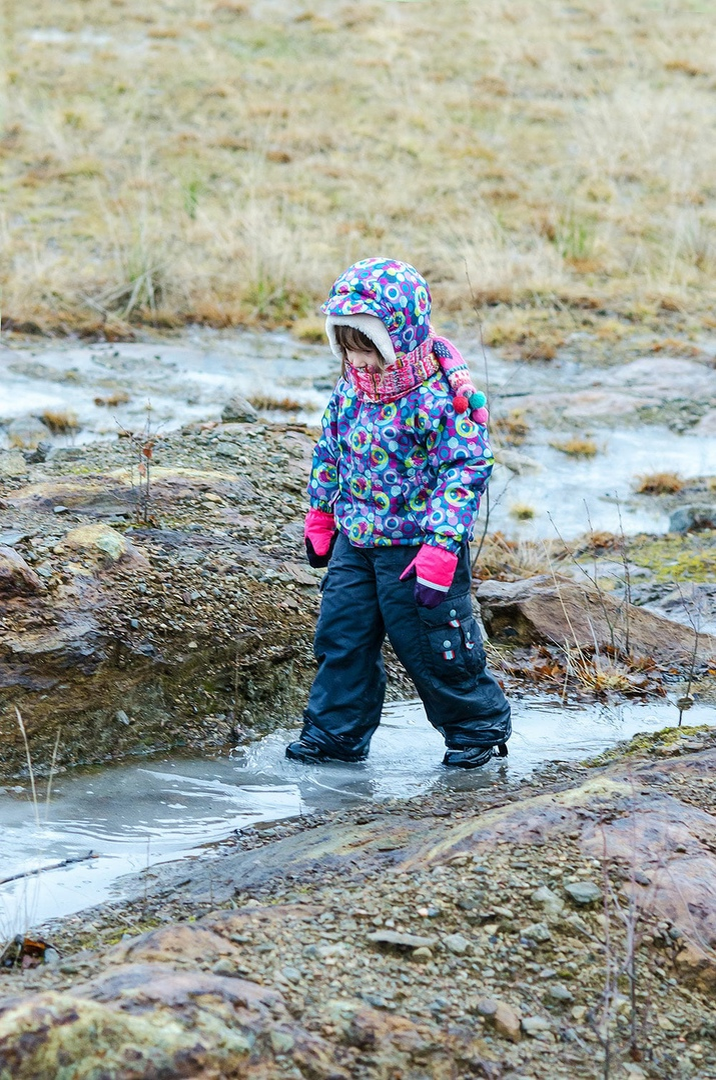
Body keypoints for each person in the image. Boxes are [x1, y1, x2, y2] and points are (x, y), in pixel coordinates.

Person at [286, 258, 511, 769]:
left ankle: (476, 728)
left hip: (418, 547)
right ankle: (334, 735)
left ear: (399, 337)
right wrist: (321, 514)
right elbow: (329, 450)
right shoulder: (351, 391)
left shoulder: (438, 399)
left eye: (367, 348)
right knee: (341, 637)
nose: (358, 361)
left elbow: (467, 466)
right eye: (347, 348)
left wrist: (441, 545)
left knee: (433, 643)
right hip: (356, 540)